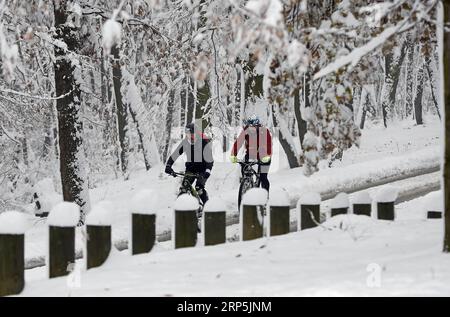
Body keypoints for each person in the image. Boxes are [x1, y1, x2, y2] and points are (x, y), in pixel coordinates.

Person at [165, 123, 214, 206]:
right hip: (190, 169)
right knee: (184, 188)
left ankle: (207, 207)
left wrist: (208, 170)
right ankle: (181, 209)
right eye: (188, 134)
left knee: (199, 188)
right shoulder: (185, 143)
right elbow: (175, 154)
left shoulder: (203, 143)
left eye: (192, 134)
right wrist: (168, 165)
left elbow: (210, 160)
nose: (190, 137)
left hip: (203, 170)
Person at [230, 115, 272, 192]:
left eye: (253, 126)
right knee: (244, 166)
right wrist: (233, 154)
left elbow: (269, 144)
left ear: (257, 125)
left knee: (263, 177)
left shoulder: (264, 131)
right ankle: (246, 182)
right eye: (249, 126)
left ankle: (265, 196)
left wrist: (267, 155)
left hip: (264, 154)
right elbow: (238, 142)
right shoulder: (246, 131)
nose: (251, 129)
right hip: (250, 153)